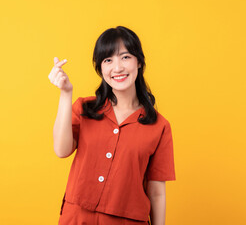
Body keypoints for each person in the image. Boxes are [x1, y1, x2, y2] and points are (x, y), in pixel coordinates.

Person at [49, 26, 176, 225]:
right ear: (101, 69)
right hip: (76, 218)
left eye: (125, 57)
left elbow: (157, 192)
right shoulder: (84, 108)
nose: (117, 68)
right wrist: (66, 94)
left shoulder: (159, 126)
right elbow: (61, 150)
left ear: (139, 62)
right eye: (108, 60)